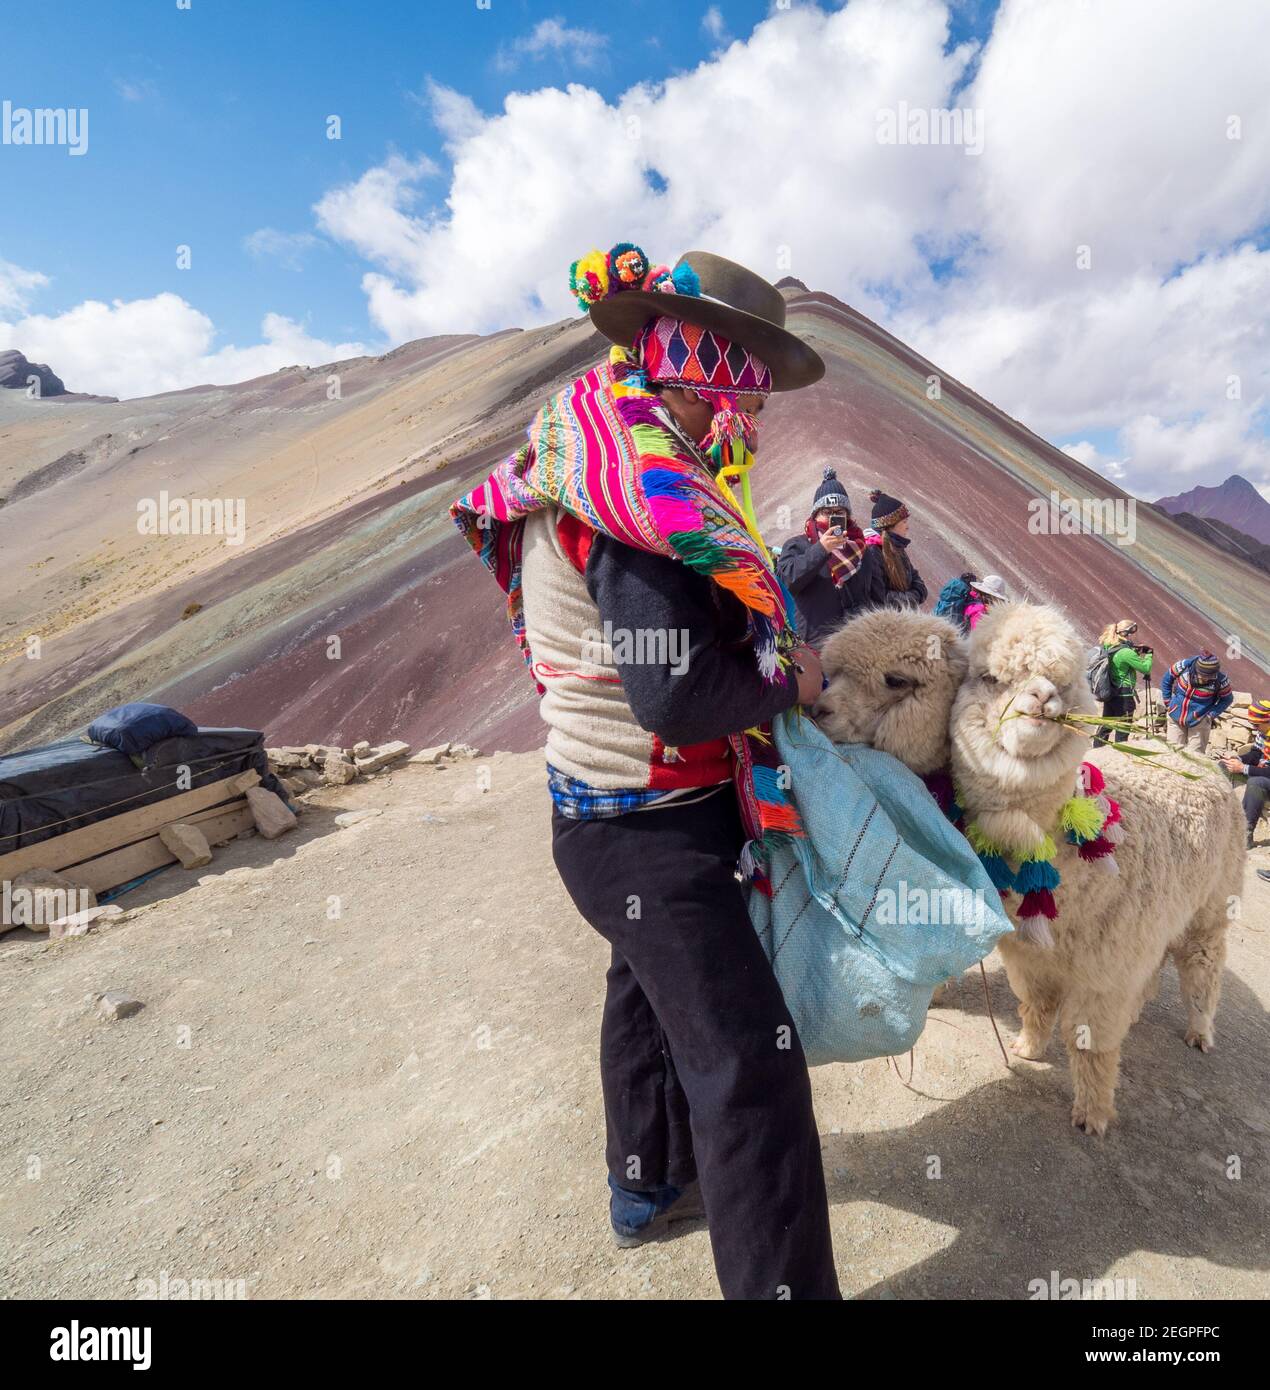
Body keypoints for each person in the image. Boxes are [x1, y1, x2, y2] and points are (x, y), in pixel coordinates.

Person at [452, 244, 840, 1300]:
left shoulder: (596, 453)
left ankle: (646, 1184)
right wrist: (792, 685)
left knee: (643, 991)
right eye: (742, 391)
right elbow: (675, 698)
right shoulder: (641, 499)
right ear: (697, 376)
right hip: (649, 824)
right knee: (748, 1070)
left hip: (607, 818)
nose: (751, 424)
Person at [776, 468, 885, 647]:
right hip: (813, 648)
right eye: (827, 512)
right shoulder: (797, 545)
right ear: (815, 515)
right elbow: (786, 582)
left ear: (847, 517)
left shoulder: (861, 549)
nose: (833, 518)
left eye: (839, 512)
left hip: (854, 646)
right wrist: (821, 549)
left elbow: (876, 598)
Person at [1091, 618, 1153, 747]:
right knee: (1123, 729)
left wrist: (1133, 651)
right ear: (1126, 634)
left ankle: (1097, 750)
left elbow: (1120, 661)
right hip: (1124, 696)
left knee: (1106, 725)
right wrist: (1149, 655)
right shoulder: (1126, 652)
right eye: (1131, 634)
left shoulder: (1109, 647)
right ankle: (1119, 753)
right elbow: (1145, 668)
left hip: (1111, 692)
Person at [1219, 698, 1270, 849]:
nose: (1254, 728)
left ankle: (1245, 833)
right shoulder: (1263, 733)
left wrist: (1243, 768)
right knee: (1223, 767)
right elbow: (1255, 754)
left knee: (1256, 783)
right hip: (1262, 770)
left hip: (1265, 777)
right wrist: (1237, 759)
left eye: (1256, 725)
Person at [1160, 650, 1233, 753]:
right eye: (1203, 675)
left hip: (1200, 722)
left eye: (1209, 676)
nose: (1205, 679)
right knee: (1172, 752)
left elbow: (1227, 699)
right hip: (1175, 716)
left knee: (1195, 757)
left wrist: (1210, 716)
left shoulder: (1221, 680)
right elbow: (1167, 680)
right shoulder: (1183, 667)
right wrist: (1168, 702)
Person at [867, 488, 927, 609]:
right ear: (890, 526)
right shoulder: (872, 552)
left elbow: (917, 580)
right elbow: (880, 596)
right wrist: (914, 596)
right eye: (904, 522)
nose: (907, 527)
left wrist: (915, 594)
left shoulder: (898, 548)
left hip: (903, 617)